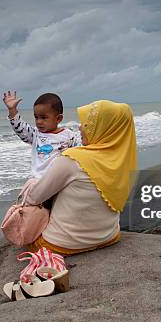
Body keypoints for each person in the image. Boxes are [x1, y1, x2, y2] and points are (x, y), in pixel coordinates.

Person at [20, 100, 136, 255]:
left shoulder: (73, 159)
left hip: (63, 244)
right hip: (110, 236)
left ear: (103, 128)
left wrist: (31, 184)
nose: (81, 127)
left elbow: (34, 198)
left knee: (30, 193)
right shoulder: (123, 161)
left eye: (88, 124)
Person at [2, 90, 79, 178]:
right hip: (39, 181)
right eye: (36, 117)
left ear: (58, 119)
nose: (39, 122)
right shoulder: (35, 134)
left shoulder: (69, 136)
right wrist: (12, 110)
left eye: (43, 117)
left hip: (60, 181)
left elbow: (79, 154)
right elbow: (20, 128)